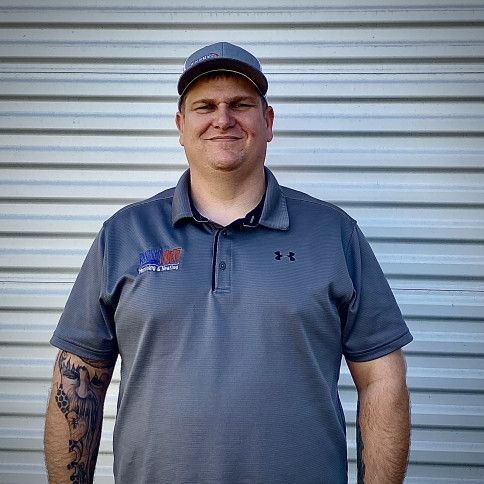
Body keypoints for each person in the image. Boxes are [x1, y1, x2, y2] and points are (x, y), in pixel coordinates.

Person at [44, 42, 413, 484]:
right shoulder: (124, 236)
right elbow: (78, 381)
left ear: (268, 122)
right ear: (181, 126)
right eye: (205, 106)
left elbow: (382, 382)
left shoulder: (334, 234)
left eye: (240, 104)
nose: (223, 118)